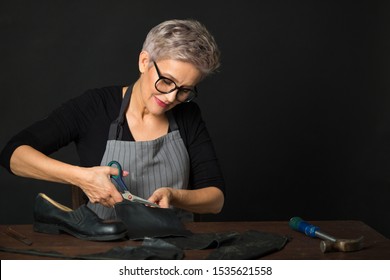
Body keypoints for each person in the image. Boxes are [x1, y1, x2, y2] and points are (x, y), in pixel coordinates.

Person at [0, 19, 225, 221]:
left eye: (185, 90)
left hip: (175, 248)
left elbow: (216, 200)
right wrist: (81, 177)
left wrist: (174, 196)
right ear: (144, 62)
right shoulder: (95, 106)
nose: (171, 97)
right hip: (103, 249)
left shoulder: (188, 115)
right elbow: (13, 155)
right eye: (166, 81)